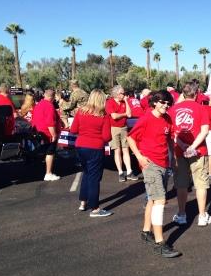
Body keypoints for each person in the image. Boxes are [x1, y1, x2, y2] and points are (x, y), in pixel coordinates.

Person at [127, 90, 181, 258]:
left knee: (152, 199)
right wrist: (140, 156)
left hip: (164, 163)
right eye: (163, 102)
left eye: (168, 103)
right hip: (150, 164)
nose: (166, 105)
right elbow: (130, 138)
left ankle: (145, 232)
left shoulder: (167, 119)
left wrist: (174, 159)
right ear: (155, 102)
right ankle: (160, 243)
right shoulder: (146, 118)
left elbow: (170, 139)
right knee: (160, 200)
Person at [169, 82, 211, 227]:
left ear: (183, 93)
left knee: (181, 184)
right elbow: (204, 130)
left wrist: (182, 145)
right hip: (199, 151)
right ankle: (202, 216)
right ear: (196, 93)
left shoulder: (173, 110)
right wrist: (192, 147)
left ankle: (181, 214)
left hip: (179, 151)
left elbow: (171, 132)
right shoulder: (201, 108)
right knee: (200, 184)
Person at [70, 89, 112, 217]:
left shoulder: (80, 112)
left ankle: (83, 202)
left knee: (87, 174)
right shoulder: (103, 115)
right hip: (95, 147)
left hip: (80, 145)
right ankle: (95, 208)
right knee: (94, 177)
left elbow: (73, 129)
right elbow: (106, 136)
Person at [106, 85, 135, 181]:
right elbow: (114, 116)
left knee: (126, 149)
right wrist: (124, 114)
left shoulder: (124, 102)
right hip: (114, 128)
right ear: (117, 94)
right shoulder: (110, 102)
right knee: (117, 150)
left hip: (124, 128)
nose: (124, 94)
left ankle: (129, 171)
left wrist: (126, 101)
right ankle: (120, 172)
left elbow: (129, 114)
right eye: (122, 93)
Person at [32, 88, 61, 181]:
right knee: (50, 153)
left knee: (43, 153)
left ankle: (45, 171)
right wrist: (54, 135)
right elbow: (50, 123)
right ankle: (48, 173)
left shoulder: (38, 104)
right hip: (47, 134)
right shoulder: (49, 106)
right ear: (52, 97)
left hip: (39, 132)